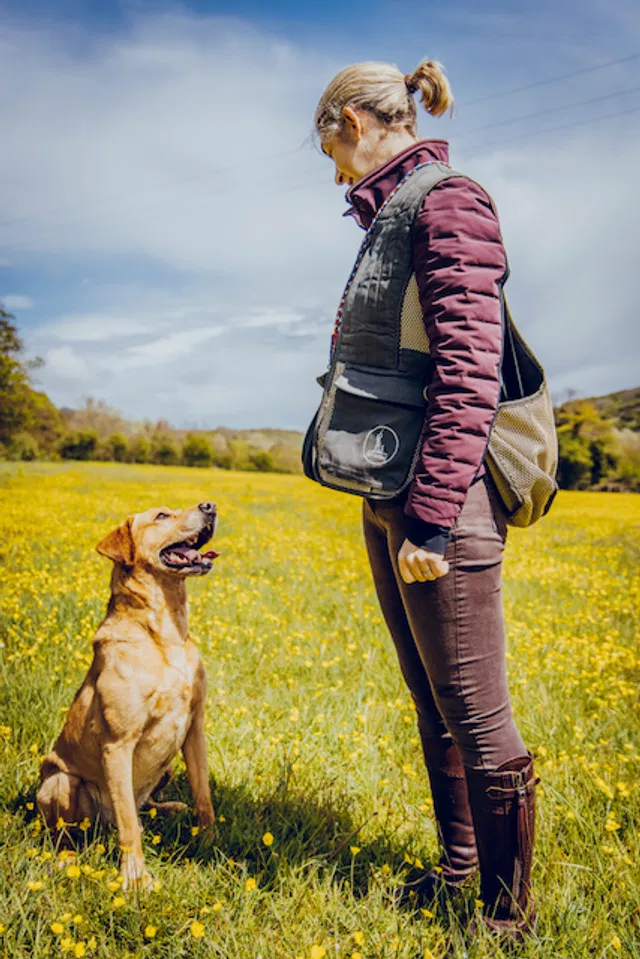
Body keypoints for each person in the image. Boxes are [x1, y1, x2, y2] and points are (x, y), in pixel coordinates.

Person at [312, 60, 540, 942]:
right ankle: (457, 875)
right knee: (433, 698)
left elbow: (468, 374)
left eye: (330, 144)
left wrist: (435, 518)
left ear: (355, 121)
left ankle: (506, 921)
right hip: (392, 490)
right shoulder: (393, 210)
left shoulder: (450, 202)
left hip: (440, 502)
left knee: (479, 716)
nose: (332, 168)